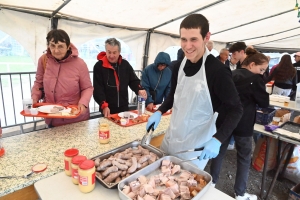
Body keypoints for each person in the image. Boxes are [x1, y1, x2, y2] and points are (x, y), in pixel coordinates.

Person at [146, 14, 243, 170]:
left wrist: (218, 139)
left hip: (196, 147)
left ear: (206, 37)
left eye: (193, 39)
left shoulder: (218, 71)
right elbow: (173, 95)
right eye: (184, 39)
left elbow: (236, 109)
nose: (187, 46)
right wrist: (160, 111)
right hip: (173, 138)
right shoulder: (177, 66)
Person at [210, 48, 269, 200]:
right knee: (243, 157)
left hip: (225, 119)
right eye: (261, 69)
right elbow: (264, 102)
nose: (262, 73)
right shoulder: (256, 80)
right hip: (244, 122)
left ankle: (211, 183)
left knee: (219, 152)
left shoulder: (231, 74)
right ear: (252, 64)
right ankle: (240, 193)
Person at [31, 29, 93, 127]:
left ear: (68, 46)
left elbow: (87, 88)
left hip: (75, 118)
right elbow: (38, 83)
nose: (56, 50)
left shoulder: (80, 64)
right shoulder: (43, 60)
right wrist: (35, 97)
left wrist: (83, 103)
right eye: (52, 46)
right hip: (52, 117)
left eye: (60, 46)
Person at [93, 38, 147, 117]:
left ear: (119, 52)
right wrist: (103, 105)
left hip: (124, 107)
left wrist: (139, 89)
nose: (111, 56)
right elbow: (98, 89)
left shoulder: (125, 65)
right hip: (107, 108)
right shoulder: (99, 66)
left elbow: (133, 81)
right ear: (106, 51)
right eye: (109, 52)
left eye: (114, 52)